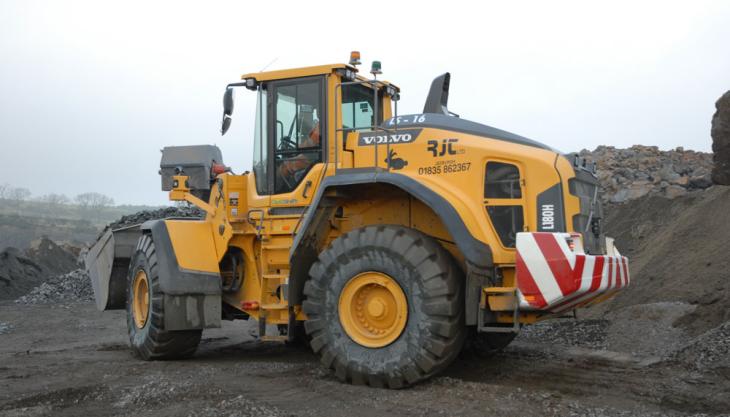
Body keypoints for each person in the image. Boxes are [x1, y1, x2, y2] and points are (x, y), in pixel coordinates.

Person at [277, 122, 321, 189]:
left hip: (314, 157)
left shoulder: (321, 125)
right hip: (314, 154)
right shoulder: (320, 122)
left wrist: (297, 149)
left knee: (285, 168)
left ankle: (279, 190)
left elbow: (310, 144)